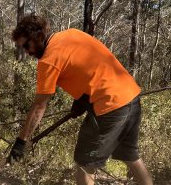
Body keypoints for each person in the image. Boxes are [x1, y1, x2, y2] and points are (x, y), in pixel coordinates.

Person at [8, 14, 153, 185]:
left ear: (39, 36)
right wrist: (82, 99)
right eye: (22, 48)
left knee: (85, 164)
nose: (27, 51)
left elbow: (39, 106)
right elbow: (90, 66)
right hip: (130, 96)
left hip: (109, 106)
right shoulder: (72, 34)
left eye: (27, 45)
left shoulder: (48, 60)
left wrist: (21, 141)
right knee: (131, 155)